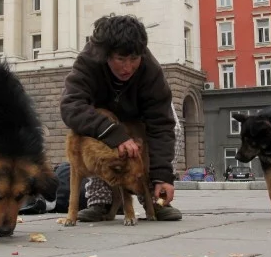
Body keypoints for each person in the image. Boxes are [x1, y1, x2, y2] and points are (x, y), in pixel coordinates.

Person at [59, 14, 183, 222]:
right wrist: (112, 132)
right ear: (106, 55)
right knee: (90, 135)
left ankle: (155, 197)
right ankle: (101, 201)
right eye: (120, 59)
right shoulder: (88, 61)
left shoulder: (151, 71)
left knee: (172, 129)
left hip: (138, 118)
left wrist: (163, 175)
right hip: (103, 121)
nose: (128, 68)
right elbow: (71, 106)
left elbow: (161, 124)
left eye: (134, 59)